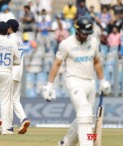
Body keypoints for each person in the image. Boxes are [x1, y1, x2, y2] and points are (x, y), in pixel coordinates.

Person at [42, 16, 111, 146]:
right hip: (74, 81)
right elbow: (57, 64)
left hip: (90, 82)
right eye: (84, 33)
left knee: (84, 116)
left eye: (88, 33)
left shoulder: (94, 42)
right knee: (85, 112)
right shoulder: (66, 44)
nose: (86, 36)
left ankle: (65, 143)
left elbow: (96, 62)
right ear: (77, 30)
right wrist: (49, 85)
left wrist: (102, 81)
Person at [6, 19, 30, 134]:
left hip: (11, 72)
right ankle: (24, 119)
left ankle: (9, 126)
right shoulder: (19, 39)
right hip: (19, 72)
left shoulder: (10, 40)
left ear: (10, 28)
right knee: (15, 99)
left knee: (8, 100)